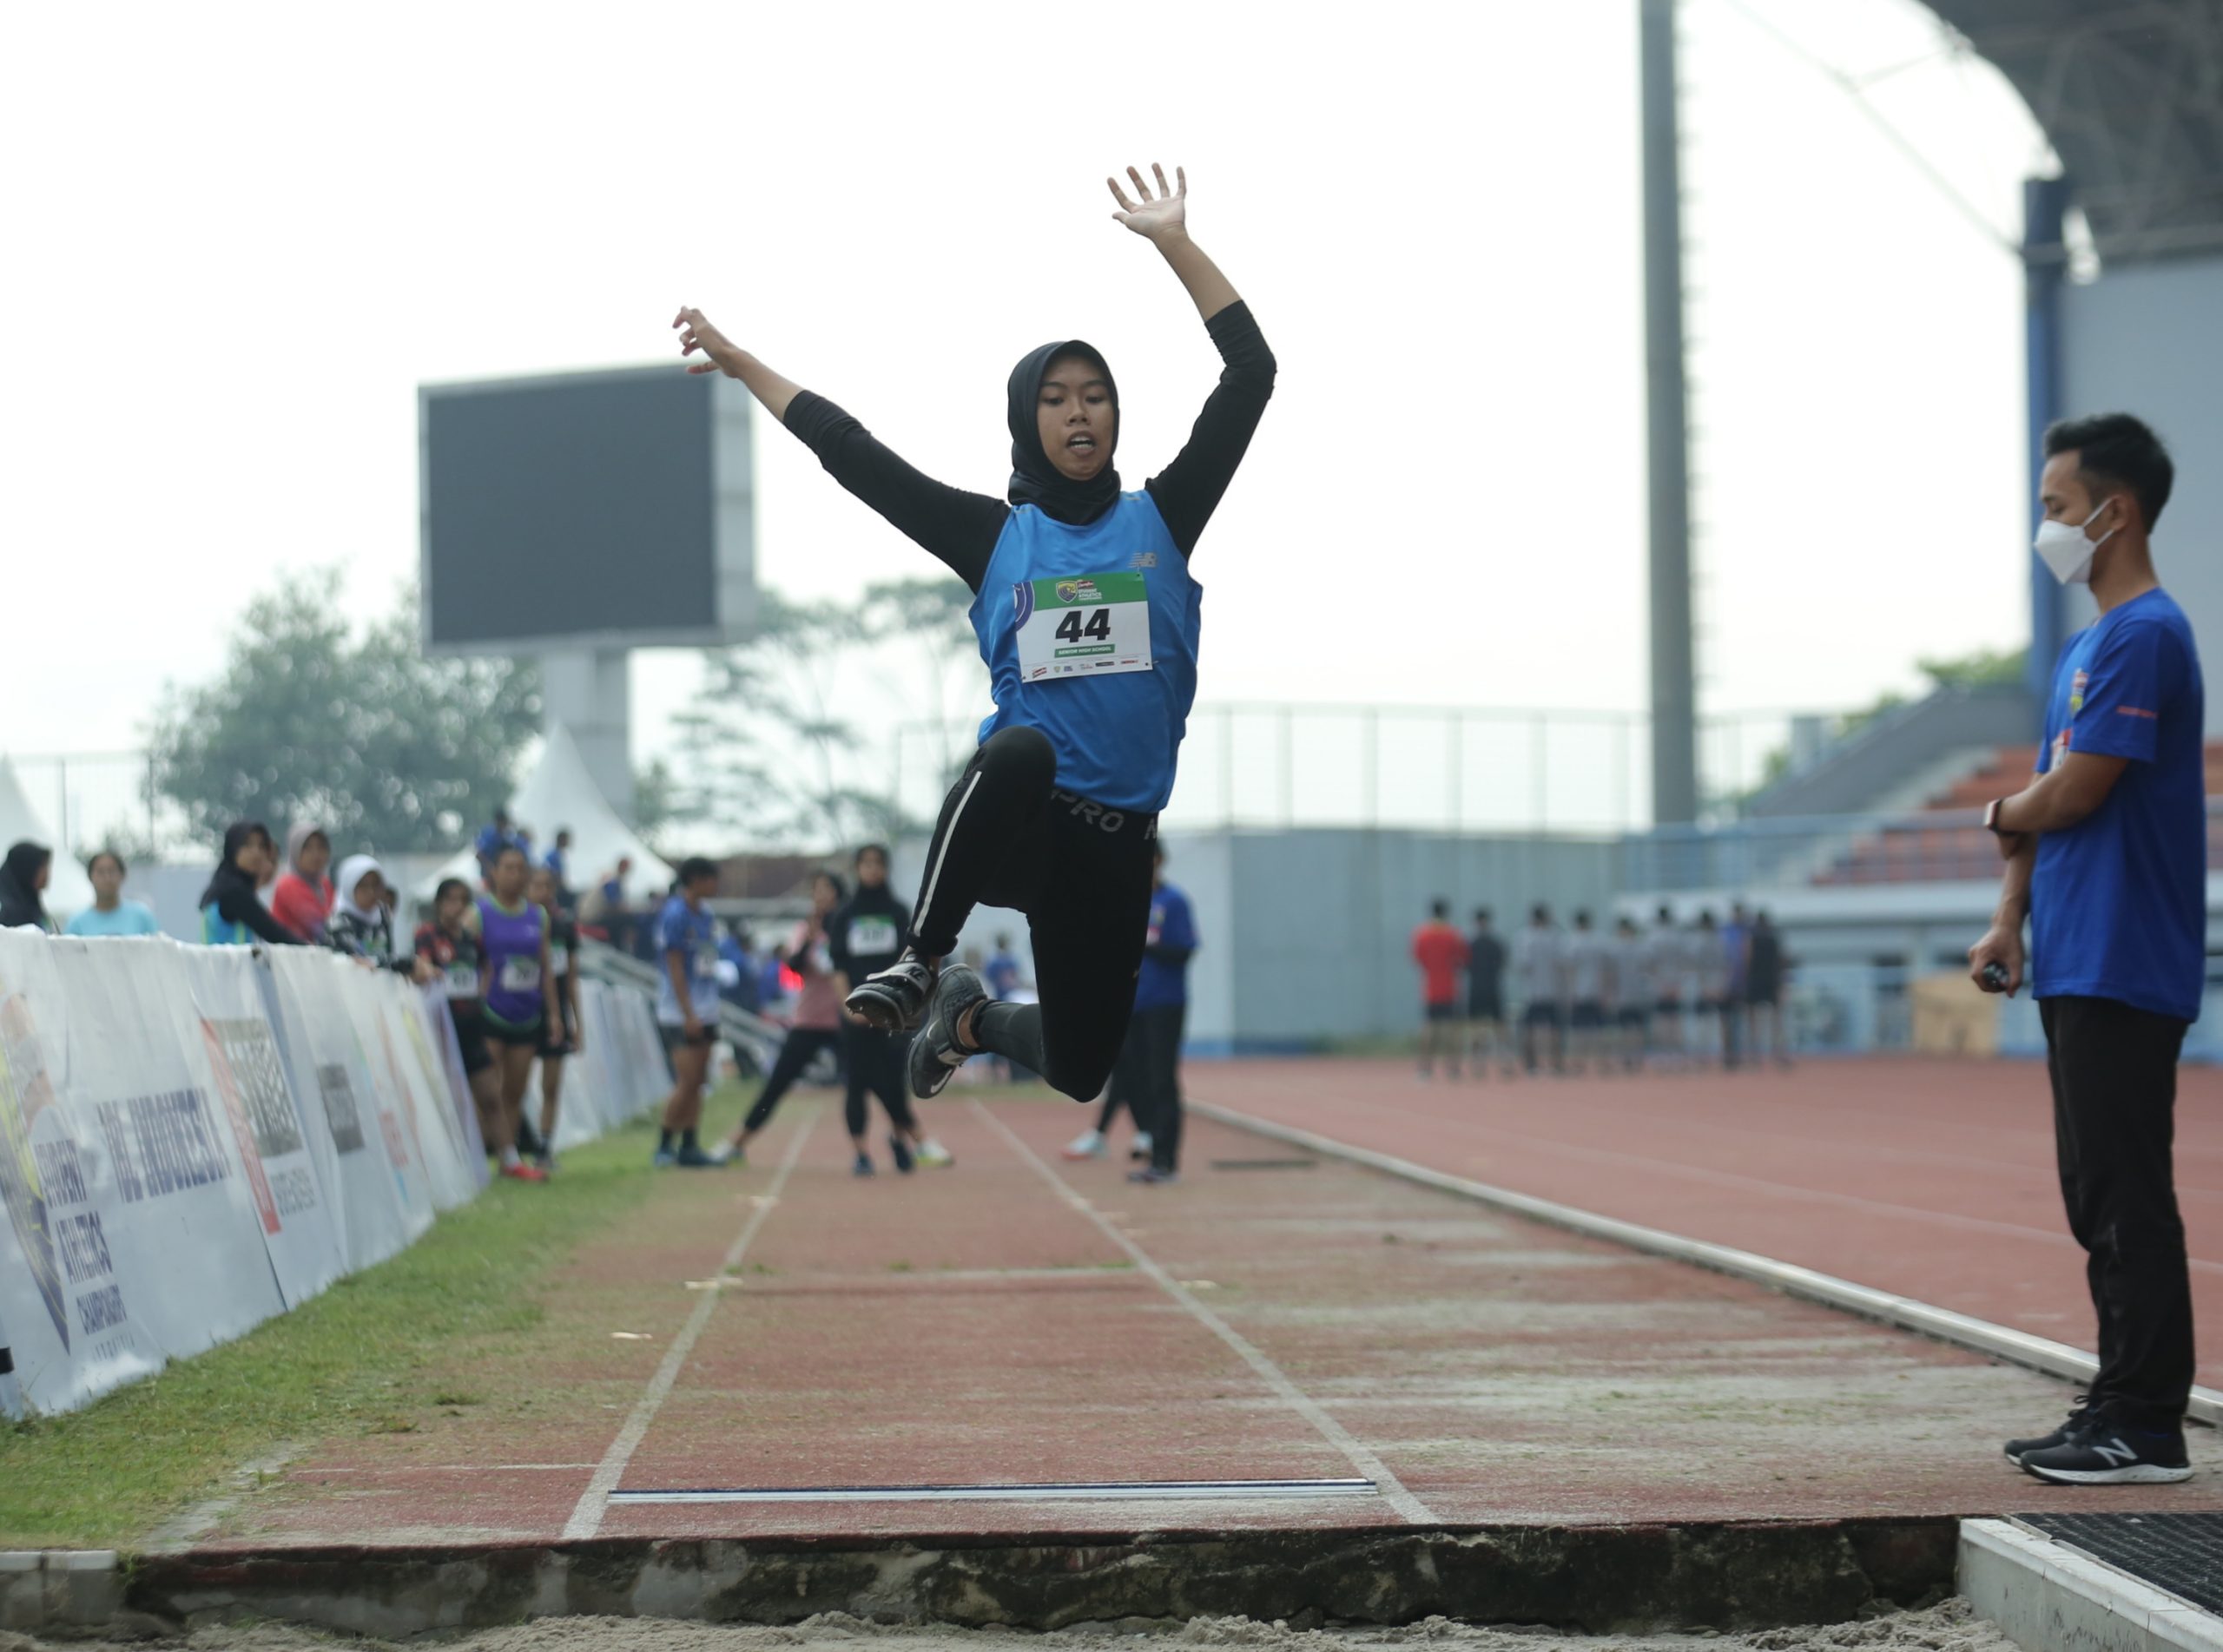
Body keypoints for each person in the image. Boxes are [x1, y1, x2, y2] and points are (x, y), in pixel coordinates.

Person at [678, 161, 1274, 1108]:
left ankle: (966, 1020)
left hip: (1120, 849)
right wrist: (747, 364)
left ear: (1116, 414)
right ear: (1024, 419)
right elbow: (854, 454)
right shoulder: (996, 540)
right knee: (1024, 748)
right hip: (1022, 823)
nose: (1078, 412)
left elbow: (1251, 376)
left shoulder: (1162, 521)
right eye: (1056, 397)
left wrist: (1173, 242)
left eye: (1095, 395)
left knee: (1082, 1070)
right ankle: (923, 959)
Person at [1971, 412, 2200, 1486]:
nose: (2047, 528)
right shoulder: (2085, 646)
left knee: (2124, 1188)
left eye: (2057, 509)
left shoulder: (2148, 634)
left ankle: (2146, 1421)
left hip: (2124, 949)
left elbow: (2072, 790)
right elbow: (2039, 814)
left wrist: (1999, 812)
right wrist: (2009, 911)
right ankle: (2118, 1398)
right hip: (2070, 948)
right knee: (2091, 1190)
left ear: (2118, 511)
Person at [825, 846, 954, 1175]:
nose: (872, 869)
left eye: (877, 864)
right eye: (865, 863)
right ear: (857, 869)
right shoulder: (845, 915)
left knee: (895, 1080)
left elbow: (907, 960)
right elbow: (838, 965)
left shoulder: (898, 912)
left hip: (893, 1011)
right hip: (855, 1011)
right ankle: (861, 1152)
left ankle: (899, 1139)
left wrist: (898, 1004)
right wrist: (847, 1007)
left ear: (885, 868)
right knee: (857, 1082)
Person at [717, 872, 851, 1168]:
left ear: (839, 894)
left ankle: (910, 1140)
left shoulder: (850, 928)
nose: (820, 896)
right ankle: (736, 1144)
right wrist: (811, 939)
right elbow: (793, 966)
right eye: (816, 891)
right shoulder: (805, 930)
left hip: (845, 1018)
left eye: (826, 889)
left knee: (875, 1081)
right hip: (809, 1021)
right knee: (776, 1085)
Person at [413, 878, 505, 1176]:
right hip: (442, 1027)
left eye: (461, 901)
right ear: (439, 903)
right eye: (450, 900)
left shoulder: (470, 939)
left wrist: (481, 992)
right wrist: (431, 972)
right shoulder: (427, 934)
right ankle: (455, 1166)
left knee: (490, 1095)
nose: (455, 907)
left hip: (471, 1026)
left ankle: (510, 1160)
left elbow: (487, 965)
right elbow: (423, 965)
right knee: (450, 1098)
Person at [477, 844, 552, 1183]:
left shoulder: (538, 916)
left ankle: (508, 1160)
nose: (515, 874)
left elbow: (546, 968)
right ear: (494, 873)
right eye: (508, 867)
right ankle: (480, 1156)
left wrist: (555, 1015)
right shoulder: (478, 913)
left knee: (514, 1092)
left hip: (528, 1013)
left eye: (521, 868)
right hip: (492, 1013)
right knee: (487, 1090)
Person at [1123, 844, 1197, 1185]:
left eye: (1149, 859)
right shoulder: (1127, 901)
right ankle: (1151, 1145)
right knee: (1132, 1078)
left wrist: (1146, 945)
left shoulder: (1173, 902)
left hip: (1164, 1003)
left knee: (1161, 1079)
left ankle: (1166, 1160)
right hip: (1131, 1004)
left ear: (1160, 861)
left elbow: (1183, 950)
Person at [653, 857, 724, 1168]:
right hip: (678, 1012)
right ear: (695, 880)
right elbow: (675, 967)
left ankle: (690, 1144)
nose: (715, 885)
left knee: (699, 1080)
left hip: (707, 1008)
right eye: (711, 879)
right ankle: (664, 1144)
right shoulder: (675, 915)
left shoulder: (707, 914)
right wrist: (688, 1013)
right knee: (687, 1078)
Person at [530, 863, 584, 1173]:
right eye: (536, 885)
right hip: (524, 1010)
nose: (542, 892)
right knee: (514, 1085)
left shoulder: (564, 926)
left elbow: (572, 978)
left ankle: (544, 1148)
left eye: (547, 886)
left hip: (557, 1014)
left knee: (551, 1085)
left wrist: (576, 1022)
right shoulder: (521, 924)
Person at [325, 856, 435, 980]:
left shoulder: (381, 915)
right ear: (349, 886)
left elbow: (388, 954)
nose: (371, 892)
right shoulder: (339, 923)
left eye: (376, 885)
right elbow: (361, 959)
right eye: (363, 886)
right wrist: (407, 964)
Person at [200, 824, 304, 947]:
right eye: (247, 845)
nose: (256, 853)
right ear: (233, 848)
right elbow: (272, 932)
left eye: (262, 846)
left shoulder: (227, 886)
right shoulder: (233, 892)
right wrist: (314, 950)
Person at [1410, 898, 1470, 1078]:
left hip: (1430, 988)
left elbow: (1418, 959)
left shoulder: (1422, 934)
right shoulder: (1453, 934)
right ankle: (1453, 1068)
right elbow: (1463, 959)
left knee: (1429, 1028)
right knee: (1451, 1030)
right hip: (1450, 988)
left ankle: (1424, 1068)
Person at [1511, 904, 1566, 1076]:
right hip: (1552, 990)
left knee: (1530, 1030)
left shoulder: (1524, 936)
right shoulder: (1556, 936)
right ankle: (1556, 1065)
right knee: (1554, 1029)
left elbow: (1522, 965)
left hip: (1532, 992)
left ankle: (1531, 1066)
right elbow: (1562, 964)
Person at [65, 850, 160, 938]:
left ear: (122, 875)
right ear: (90, 877)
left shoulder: (142, 916)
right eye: (100, 872)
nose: (107, 878)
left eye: (112, 871)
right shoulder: (77, 923)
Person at [1465, 907, 1513, 1078]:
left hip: (1479, 989)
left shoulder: (1471, 944)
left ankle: (1481, 1065)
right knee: (1496, 1028)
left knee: (1484, 1028)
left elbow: (1464, 966)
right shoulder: (1495, 943)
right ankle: (1503, 1064)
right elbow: (1504, 964)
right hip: (1491, 989)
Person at [1562, 911, 1610, 1076]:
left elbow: (1570, 970)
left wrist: (1570, 992)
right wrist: (1606, 991)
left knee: (1577, 1030)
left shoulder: (1572, 942)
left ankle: (1577, 1063)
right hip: (1597, 990)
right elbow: (1606, 969)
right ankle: (1602, 1063)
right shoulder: (1600, 940)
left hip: (1579, 990)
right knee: (1599, 1029)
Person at [271, 825, 336, 942]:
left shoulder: (325, 885)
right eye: (307, 848)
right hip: (290, 956)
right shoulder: (288, 885)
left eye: (321, 847)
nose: (316, 855)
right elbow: (321, 928)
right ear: (295, 851)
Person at [1646, 905, 1687, 1071]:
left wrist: (1657, 983)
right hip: (1675, 983)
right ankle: (1675, 1053)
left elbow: (1649, 964)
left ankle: (1662, 1053)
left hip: (1659, 984)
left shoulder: (1653, 937)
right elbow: (1684, 962)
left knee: (1661, 1020)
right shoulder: (1677, 937)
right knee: (1674, 1019)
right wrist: (1678, 983)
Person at [1746, 910, 1791, 1068]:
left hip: (1756, 981)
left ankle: (1755, 1056)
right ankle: (1779, 1054)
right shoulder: (1773, 939)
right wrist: (1782, 984)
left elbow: (1747, 960)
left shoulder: (1752, 939)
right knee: (1776, 1021)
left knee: (1754, 1021)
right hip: (1771, 981)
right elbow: (1781, 962)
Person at [1687, 910, 1727, 1068]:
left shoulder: (1698, 941)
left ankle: (1702, 1056)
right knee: (1717, 1022)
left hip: (1703, 986)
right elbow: (1725, 965)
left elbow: (1696, 966)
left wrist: (1704, 986)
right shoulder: (1720, 941)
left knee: (1702, 1023)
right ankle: (1720, 1055)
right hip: (1718, 984)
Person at [1719, 901, 1753, 1071]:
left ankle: (1740, 1054)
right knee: (1726, 1021)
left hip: (1740, 984)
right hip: (1726, 983)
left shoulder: (1747, 932)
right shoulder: (1725, 932)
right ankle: (1728, 1054)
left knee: (1740, 1021)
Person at [0, 843, 56, 934]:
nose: (47, 873)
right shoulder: (9, 915)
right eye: (41, 866)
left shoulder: (35, 908)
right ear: (26, 868)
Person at [474, 807, 523, 882]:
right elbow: (479, 855)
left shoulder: (508, 834)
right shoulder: (488, 833)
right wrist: (491, 869)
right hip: (490, 875)